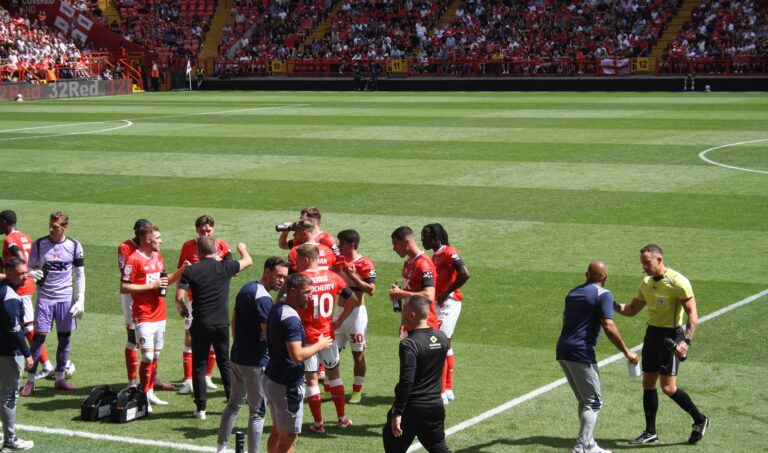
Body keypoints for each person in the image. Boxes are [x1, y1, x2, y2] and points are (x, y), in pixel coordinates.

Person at [615, 244, 710, 445]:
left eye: (647, 263)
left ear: (659, 259)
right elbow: (631, 309)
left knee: (667, 388)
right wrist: (609, 304)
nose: (644, 267)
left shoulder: (678, 282)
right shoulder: (646, 283)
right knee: (648, 383)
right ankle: (650, 432)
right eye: (642, 263)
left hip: (671, 336)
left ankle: (700, 420)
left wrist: (686, 340)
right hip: (652, 335)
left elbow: (693, 314)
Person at [557, 260, 638, 453]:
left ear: (586, 274)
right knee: (594, 402)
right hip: (581, 352)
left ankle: (590, 444)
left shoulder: (573, 293)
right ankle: (581, 447)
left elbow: (566, 319)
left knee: (585, 401)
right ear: (605, 278)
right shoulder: (603, 294)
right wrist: (627, 351)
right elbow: (608, 325)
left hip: (563, 349)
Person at [217, 257, 289, 453]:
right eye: (278, 276)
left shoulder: (247, 288)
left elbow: (234, 319)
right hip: (255, 363)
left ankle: (221, 448)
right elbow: (269, 335)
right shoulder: (263, 298)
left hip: (237, 357)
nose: (281, 281)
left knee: (233, 404)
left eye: (284, 278)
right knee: (258, 412)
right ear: (267, 272)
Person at [176, 236, 252, 420]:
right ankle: (232, 401)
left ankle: (200, 409)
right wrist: (241, 247)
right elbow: (248, 261)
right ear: (216, 251)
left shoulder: (191, 270)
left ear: (198, 253)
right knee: (224, 362)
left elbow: (180, 296)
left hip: (200, 323)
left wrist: (183, 308)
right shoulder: (225, 267)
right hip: (221, 323)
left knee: (199, 365)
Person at [263, 273, 333, 453]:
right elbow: (297, 355)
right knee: (289, 439)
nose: (311, 296)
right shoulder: (291, 319)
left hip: (272, 377)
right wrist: (320, 345)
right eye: (307, 292)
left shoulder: (277, 307)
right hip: (287, 385)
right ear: (293, 292)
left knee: (277, 431)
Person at [121, 224, 187, 411]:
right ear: (149, 240)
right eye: (158, 238)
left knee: (156, 355)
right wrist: (151, 286)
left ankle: (149, 393)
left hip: (160, 314)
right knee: (148, 356)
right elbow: (124, 287)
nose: (161, 240)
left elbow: (163, 283)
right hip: (143, 315)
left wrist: (182, 269)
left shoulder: (158, 257)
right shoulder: (133, 260)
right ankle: (142, 394)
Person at [295, 244, 359, 433]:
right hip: (328, 335)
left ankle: (319, 423)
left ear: (306, 259)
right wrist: (338, 320)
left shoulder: (300, 280)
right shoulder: (333, 276)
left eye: (298, 259)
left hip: (307, 338)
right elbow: (354, 299)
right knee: (334, 375)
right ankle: (341, 419)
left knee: (312, 380)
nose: (296, 263)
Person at [21, 211, 85, 396]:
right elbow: (28, 267)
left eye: (55, 227)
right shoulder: (39, 244)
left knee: (64, 339)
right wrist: (31, 273)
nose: (51, 229)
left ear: (64, 227)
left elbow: (80, 273)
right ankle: (30, 381)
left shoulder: (74, 245)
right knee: (38, 339)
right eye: (50, 225)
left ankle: (59, 379)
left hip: (65, 299)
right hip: (45, 299)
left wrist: (81, 298)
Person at [383, 295, 450, 453]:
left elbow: (407, 380)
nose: (401, 312)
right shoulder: (441, 338)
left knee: (393, 446)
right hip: (435, 406)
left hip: (412, 409)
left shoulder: (409, 344)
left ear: (412, 316)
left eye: (404, 309)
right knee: (439, 448)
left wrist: (398, 412)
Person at [177, 215, 233, 395]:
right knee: (190, 337)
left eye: (208, 230)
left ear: (213, 230)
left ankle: (207, 376)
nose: (206, 232)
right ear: (197, 230)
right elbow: (181, 272)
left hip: (216, 299)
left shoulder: (222, 245)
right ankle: (187, 380)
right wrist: (180, 300)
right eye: (202, 230)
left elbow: (233, 269)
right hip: (194, 300)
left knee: (215, 340)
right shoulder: (188, 246)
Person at [118, 218, 173, 389]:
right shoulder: (126, 248)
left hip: (152, 301)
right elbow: (127, 278)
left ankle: (151, 380)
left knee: (154, 348)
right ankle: (132, 382)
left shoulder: (155, 253)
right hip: (134, 298)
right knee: (132, 339)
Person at [0, 210, 53, 381]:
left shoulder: (9, 240)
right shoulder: (26, 237)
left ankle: (45, 365)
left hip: (20, 286)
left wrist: (22, 272)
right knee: (24, 325)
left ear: (3, 222)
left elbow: (20, 256)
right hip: (27, 283)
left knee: (27, 327)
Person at [421, 223, 470, 404]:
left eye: (424, 236)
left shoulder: (449, 252)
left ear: (434, 238)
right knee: (446, 344)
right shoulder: (435, 255)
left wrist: (447, 292)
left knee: (439, 344)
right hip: (441, 303)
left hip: (449, 303)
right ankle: (447, 389)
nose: (422, 239)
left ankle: (440, 392)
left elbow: (464, 273)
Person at [334, 229, 376, 404]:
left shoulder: (365, 264)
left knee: (357, 353)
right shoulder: (337, 262)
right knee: (331, 350)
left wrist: (352, 276)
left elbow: (371, 290)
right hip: (339, 311)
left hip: (357, 315)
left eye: (341, 243)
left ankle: (357, 391)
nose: (338, 246)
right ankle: (330, 388)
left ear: (351, 245)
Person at [0, 257, 34, 451]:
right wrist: (27, 353)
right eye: (21, 273)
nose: (25, 276)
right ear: (9, 272)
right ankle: (10, 440)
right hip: (8, 353)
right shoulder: (10, 297)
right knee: (9, 394)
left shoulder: (3, 289)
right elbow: (15, 330)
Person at [388, 226, 439, 335]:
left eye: (395, 244)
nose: (394, 248)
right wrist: (403, 322)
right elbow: (408, 298)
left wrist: (401, 293)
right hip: (411, 324)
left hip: (424, 325)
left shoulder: (423, 264)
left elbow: (429, 296)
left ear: (407, 242)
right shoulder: (408, 263)